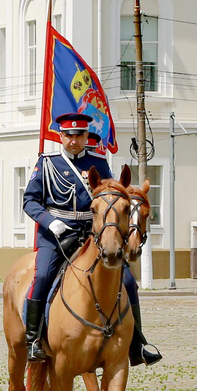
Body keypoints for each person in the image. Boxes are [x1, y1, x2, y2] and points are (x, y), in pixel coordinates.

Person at [22, 112, 161, 366]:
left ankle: (137, 344)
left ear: (86, 136)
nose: (74, 140)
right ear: (60, 136)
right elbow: (29, 201)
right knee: (42, 276)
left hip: (92, 232)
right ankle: (33, 339)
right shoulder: (47, 163)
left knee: (128, 280)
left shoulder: (98, 162)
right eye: (68, 135)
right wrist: (51, 222)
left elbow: (112, 195)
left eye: (79, 135)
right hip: (55, 233)